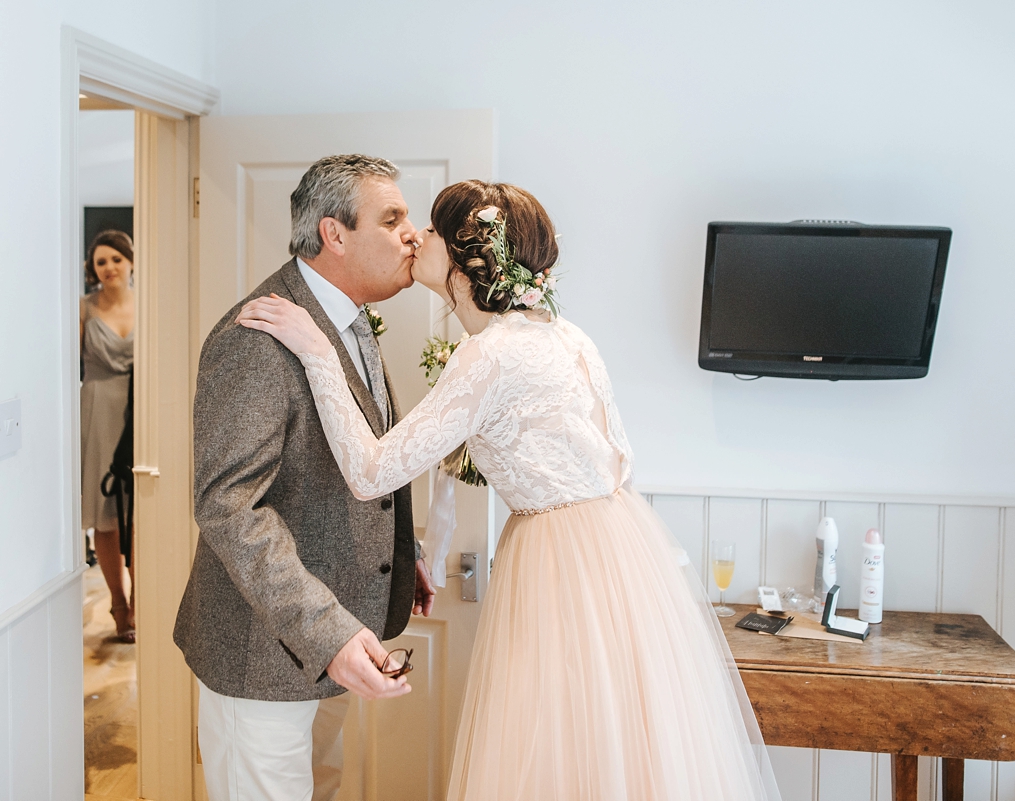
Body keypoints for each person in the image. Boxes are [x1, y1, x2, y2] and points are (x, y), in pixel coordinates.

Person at [238, 180, 782, 801]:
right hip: (619, 551)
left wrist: (317, 353)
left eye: (433, 230)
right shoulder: (569, 337)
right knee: (609, 740)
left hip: (558, 564)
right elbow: (618, 460)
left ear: (469, 253)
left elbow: (369, 473)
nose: (416, 238)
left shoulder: (488, 357)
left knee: (555, 741)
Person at [174, 155, 437, 801]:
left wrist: (402, 552)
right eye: (393, 217)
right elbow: (228, 506)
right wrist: (330, 632)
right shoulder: (256, 337)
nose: (413, 233)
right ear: (335, 233)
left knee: (321, 786)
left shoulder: (349, 320)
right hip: (262, 655)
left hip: (335, 638)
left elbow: (352, 462)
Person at [80, 230, 136, 643]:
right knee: (106, 515)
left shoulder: (148, 303)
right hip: (98, 410)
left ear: (130, 262)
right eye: (101, 262)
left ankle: (142, 600)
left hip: (139, 412)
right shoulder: (82, 309)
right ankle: (117, 601)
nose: (109, 268)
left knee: (139, 514)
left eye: (115, 259)